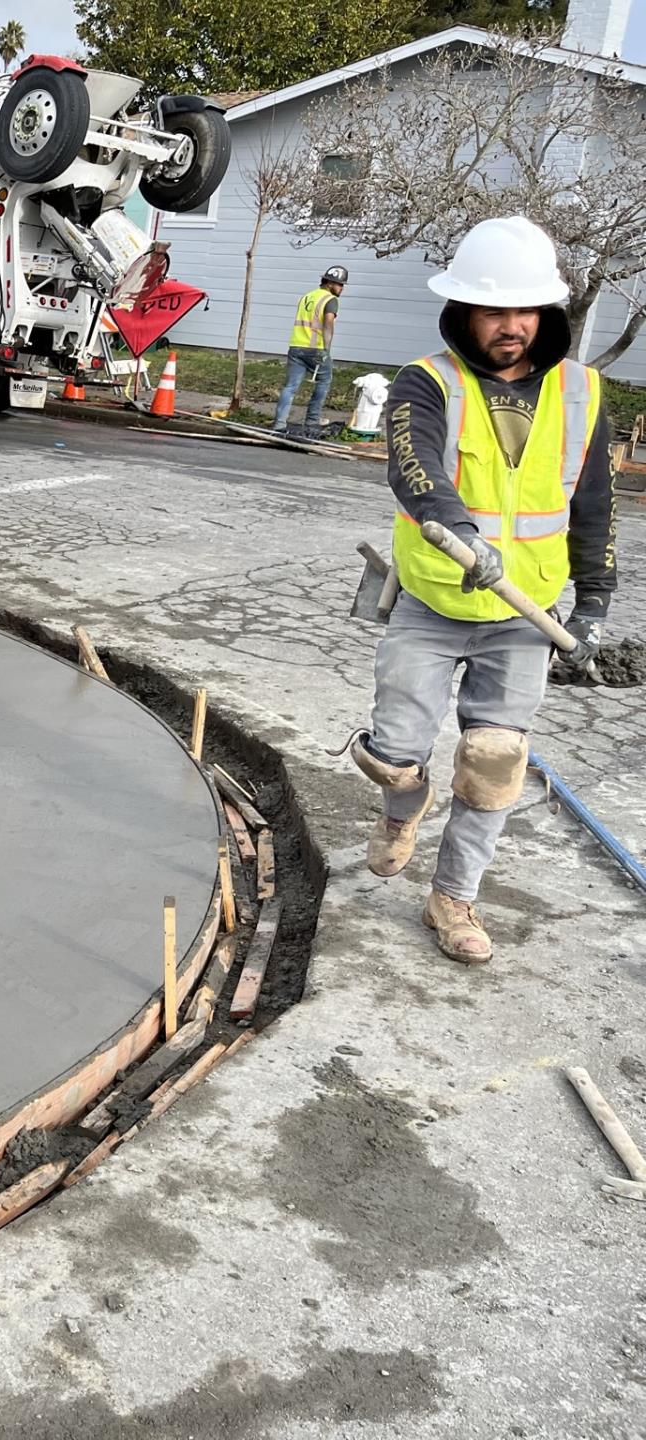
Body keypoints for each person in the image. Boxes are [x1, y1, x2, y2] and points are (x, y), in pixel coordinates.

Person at [346, 217, 614, 965]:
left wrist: (593, 603)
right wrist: (458, 528)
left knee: (495, 761)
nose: (511, 325)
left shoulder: (583, 393)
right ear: (464, 311)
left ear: (547, 314)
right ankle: (402, 808)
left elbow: (594, 507)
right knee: (393, 750)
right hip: (433, 604)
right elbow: (415, 467)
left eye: (525, 310)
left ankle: (452, 899)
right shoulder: (425, 383)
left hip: (525, 617)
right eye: (495, 310)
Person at [272, 265, 348, 436]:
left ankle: (279, 424)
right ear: (329, 283)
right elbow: (328, 324)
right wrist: (326, 350)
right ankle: (312, 420)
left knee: (290, 387)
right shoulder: (331, 300)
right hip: (315, 349)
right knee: (324, 381)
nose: (342, 288)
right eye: (340, 284)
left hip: (296, 346)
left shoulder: (307, 296)